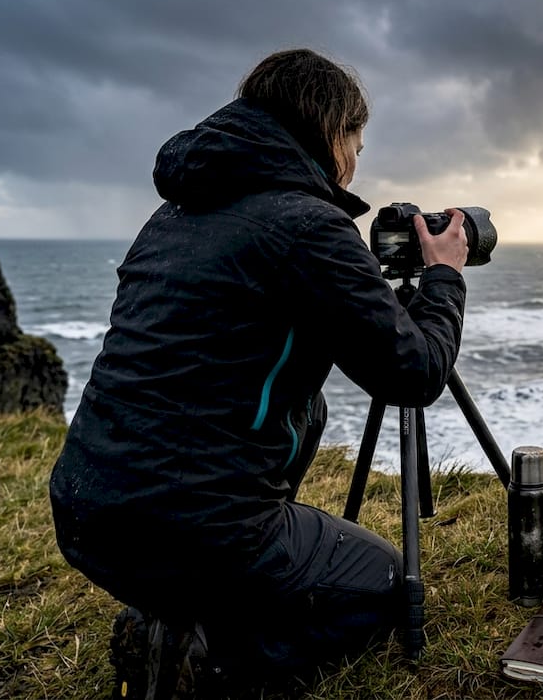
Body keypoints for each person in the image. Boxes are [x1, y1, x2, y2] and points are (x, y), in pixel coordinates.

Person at [48, 48, 469, 694]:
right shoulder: (307, 224)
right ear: (331, 132)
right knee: (382, 582)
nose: (355, 162)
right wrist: (443, 277)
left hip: (87, 512)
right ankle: (216, 664)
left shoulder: (172, 215)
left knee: (307, 405)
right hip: (198, 532)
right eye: (356, 142)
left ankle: (167, 617)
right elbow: (414, 372)